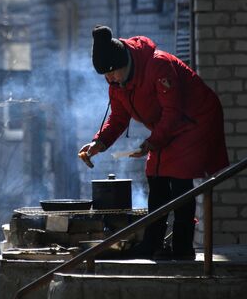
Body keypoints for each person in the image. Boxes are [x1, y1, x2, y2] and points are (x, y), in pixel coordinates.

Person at [78, 25, 229, 260]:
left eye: (112, 73)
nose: (110, 80)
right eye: (106, 76)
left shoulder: (158, 65)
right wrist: (100, 142)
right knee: (155, 174)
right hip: (169, 125)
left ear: (123, 63)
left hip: (195, 120)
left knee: (179, 178)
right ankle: (152, 243)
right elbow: (118, 117)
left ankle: (182, 248)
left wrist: (152, 142)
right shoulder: (117, 84)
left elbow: (173, 111)